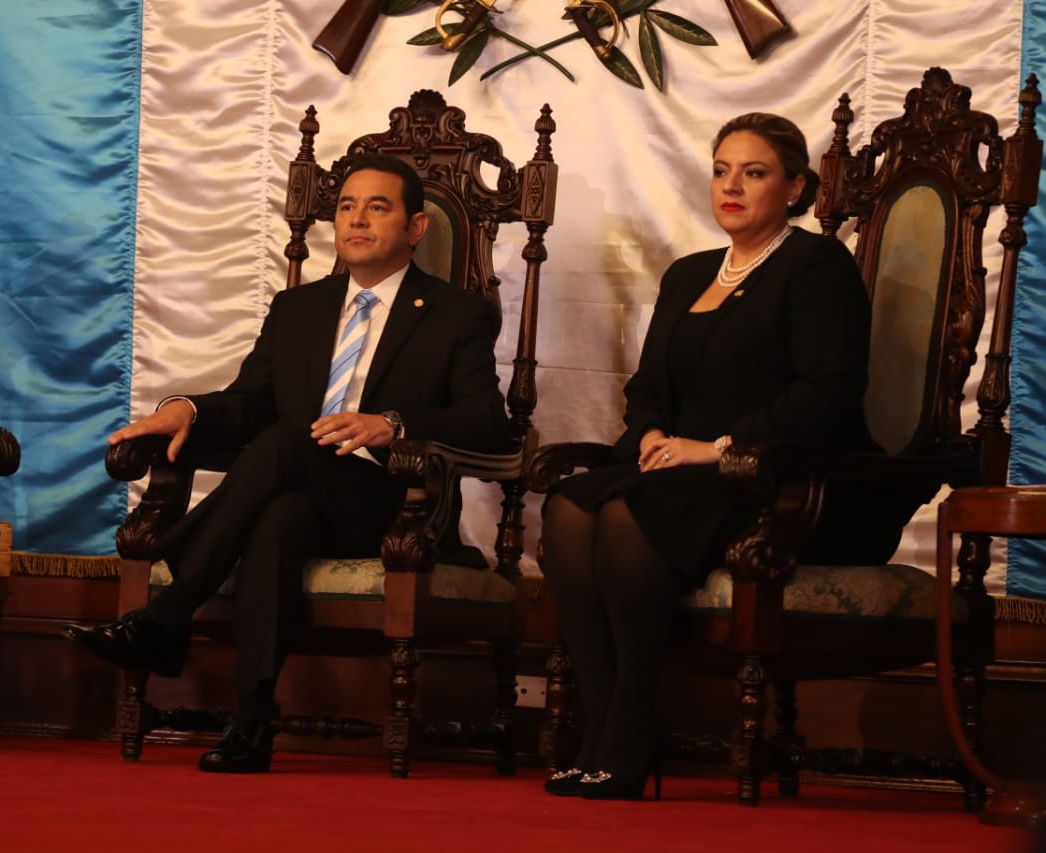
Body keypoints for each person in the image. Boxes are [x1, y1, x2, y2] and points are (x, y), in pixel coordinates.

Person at [64, 153, 510, 773]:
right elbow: (250, 403)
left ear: (415, 228)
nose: (357, 219)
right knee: (279, 517)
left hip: (392, 503)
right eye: (347, 206)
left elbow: (489, 425)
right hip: (305, 489)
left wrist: (393, 425)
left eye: (377, 207)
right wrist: (188, 408)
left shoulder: (457, 315)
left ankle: (169, 612)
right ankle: (250, 724)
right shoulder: (297, 309)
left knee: (279, 444)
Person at [538, 114, 919, 800]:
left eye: (754, 171)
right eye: (721, 170)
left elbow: (825, 391)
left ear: (795, 186)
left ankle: (630, 731)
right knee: (568, 506)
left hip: (789, 478)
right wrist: (652, 433)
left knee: (625, 516)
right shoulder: (688, 275)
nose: (731, 186)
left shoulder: (815, 266)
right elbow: (649, 384)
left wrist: (715, 447)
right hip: (686, 470)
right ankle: (601, 729)